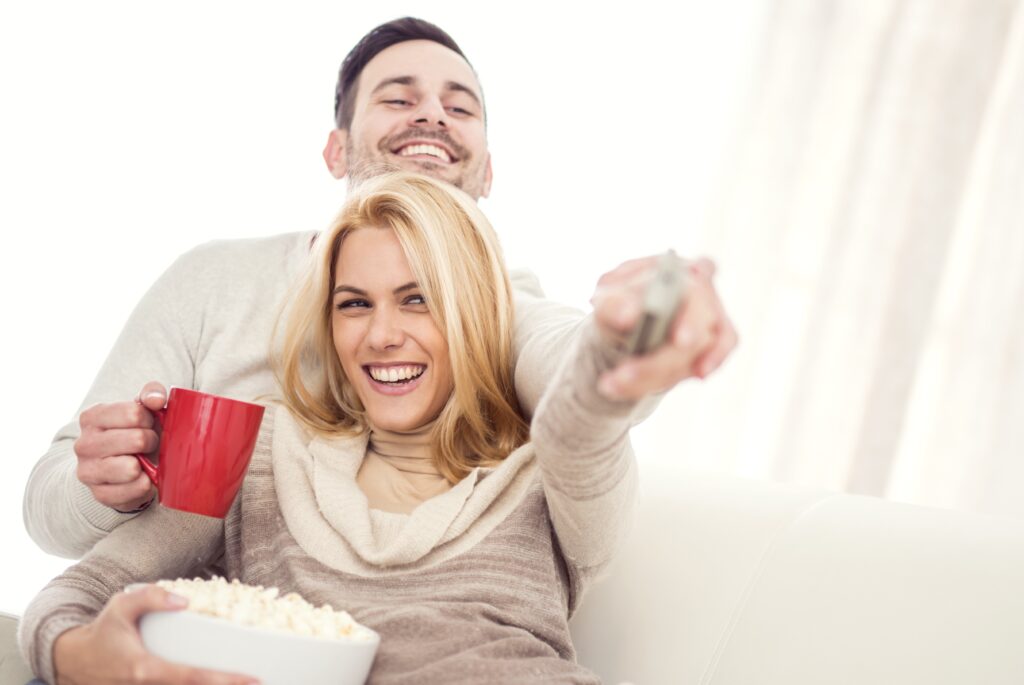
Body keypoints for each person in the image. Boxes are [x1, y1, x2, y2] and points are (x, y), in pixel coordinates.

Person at [24, 17, 736, 560]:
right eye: (399, 99)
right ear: (337, 151)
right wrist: (103, 484)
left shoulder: (500, 308)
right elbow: (47, 506)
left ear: (487, 171)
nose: (432, 115)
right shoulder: (212, 280)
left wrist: (636, 332)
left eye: (460, 108)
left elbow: (571, 369)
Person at [22, 172, 668, 684]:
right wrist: (75, 655)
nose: (382, 335)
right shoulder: (264, 452)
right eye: (354, 304)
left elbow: (585, 420)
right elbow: (82, 590)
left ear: (474, 310)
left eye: (418, 298)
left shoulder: (547, 475)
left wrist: (633, 336)